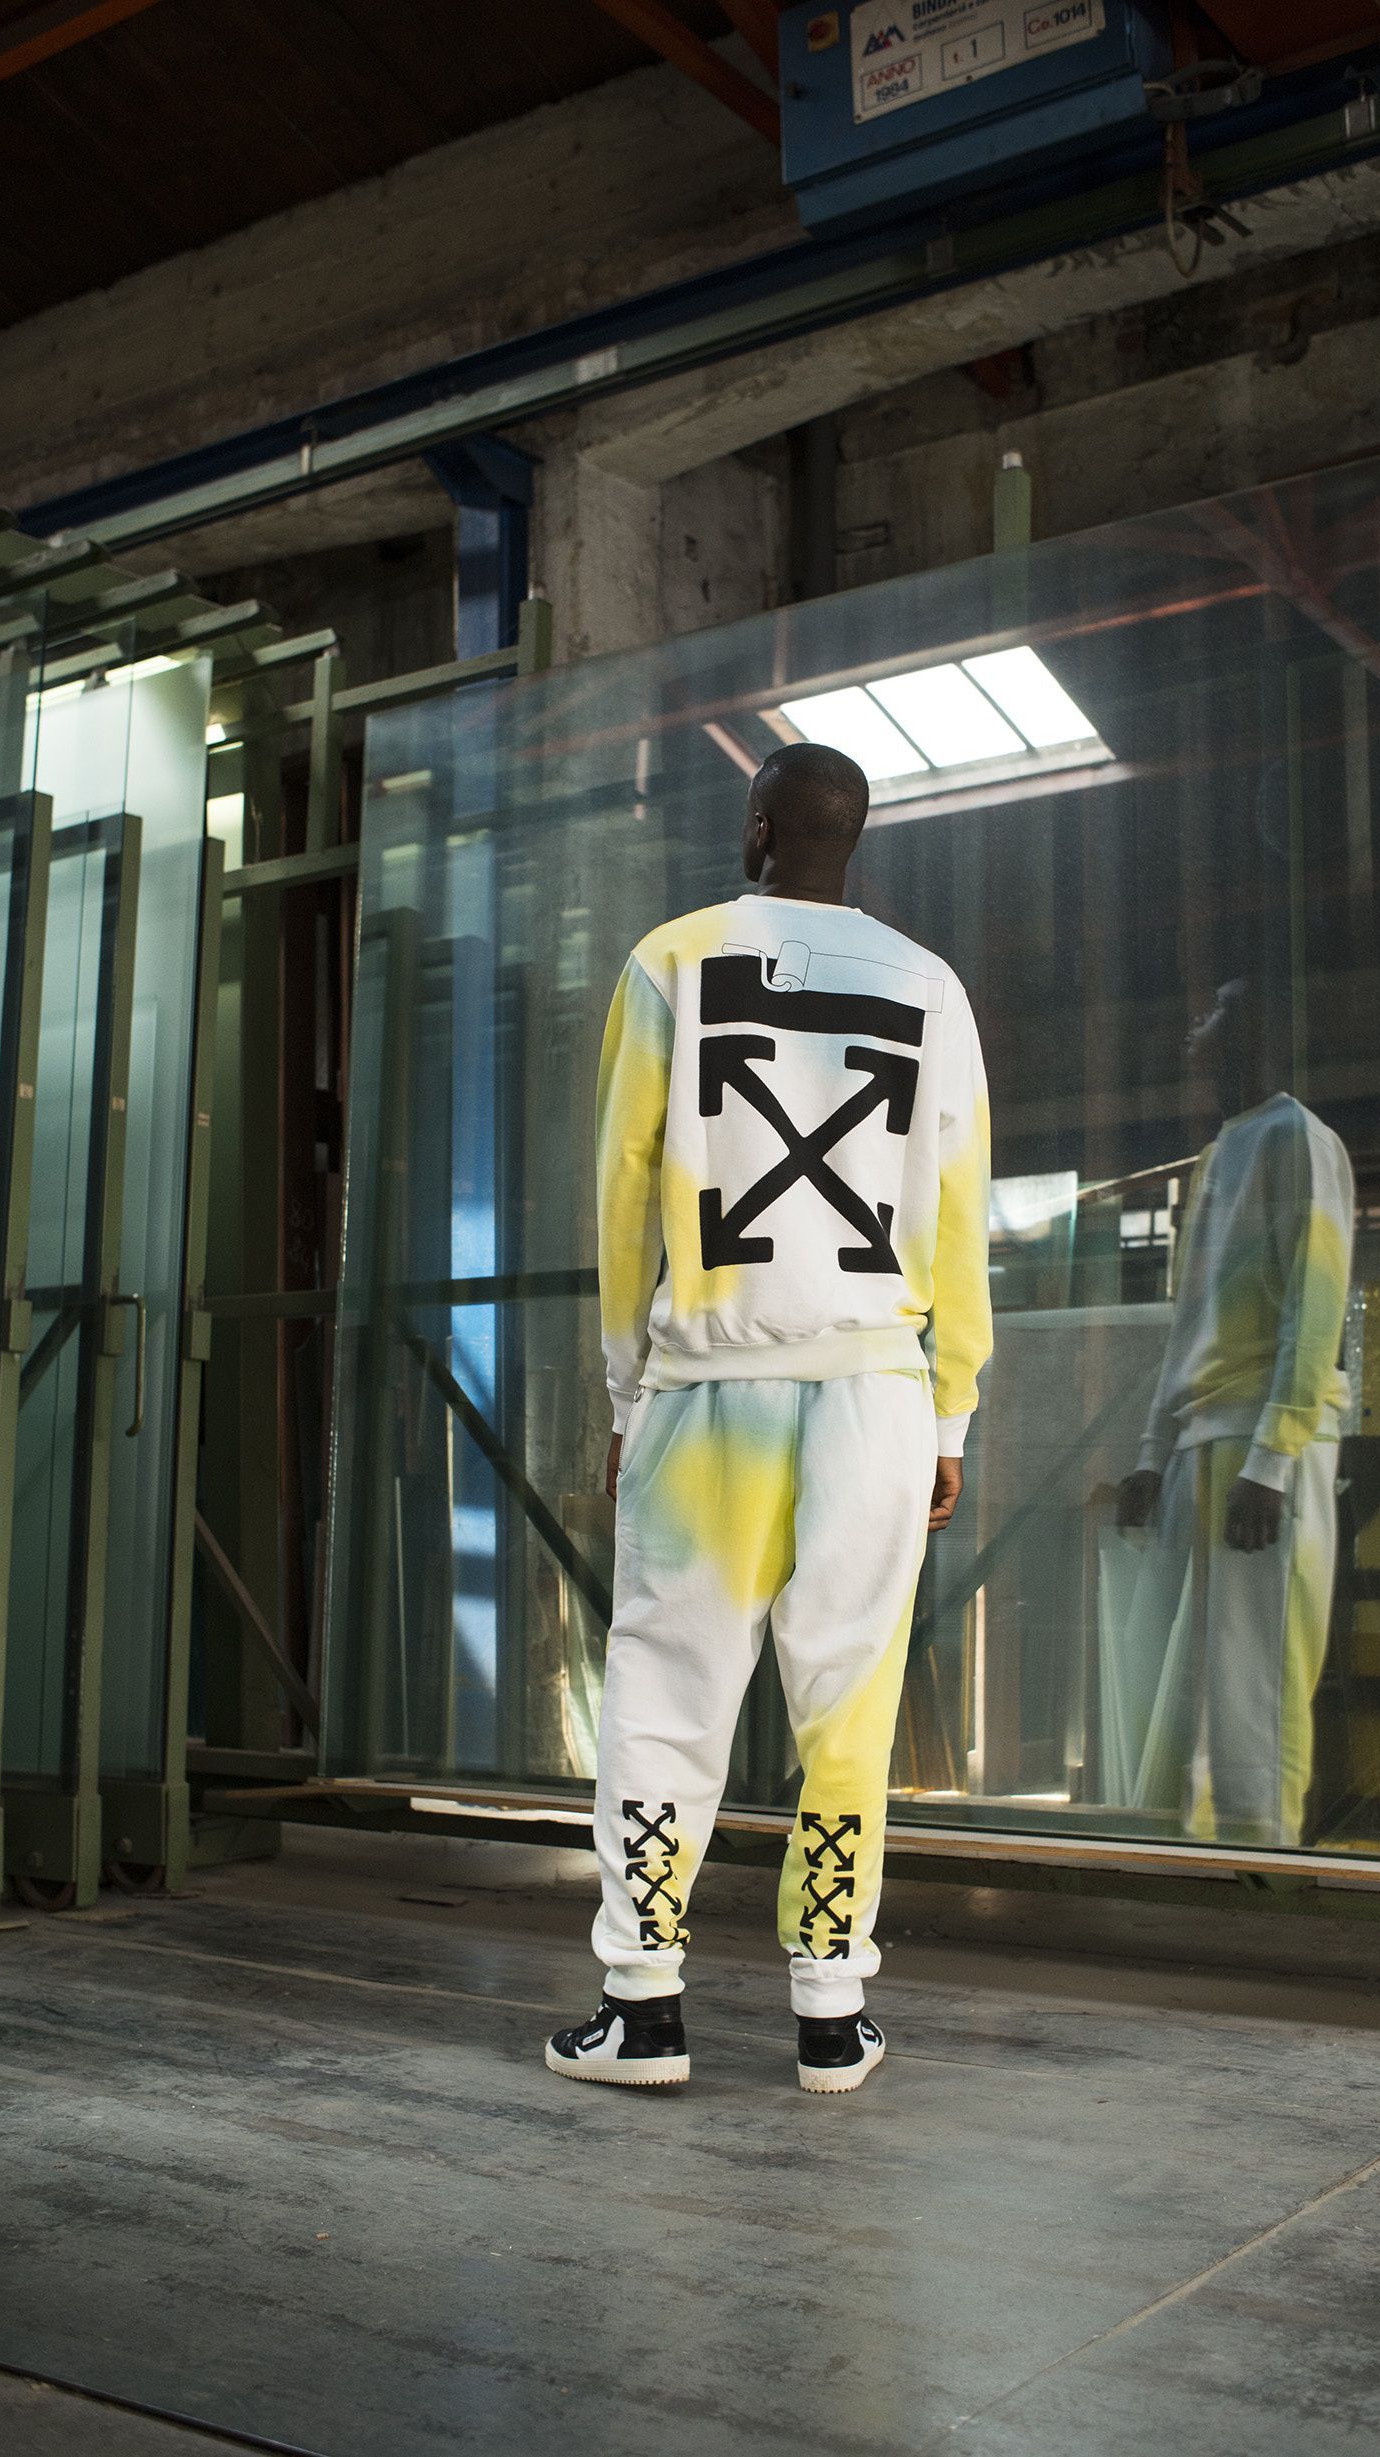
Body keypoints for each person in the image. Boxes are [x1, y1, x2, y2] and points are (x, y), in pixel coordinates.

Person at [547, 742, 993, 2094]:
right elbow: (960, 1219)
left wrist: (626, 1387)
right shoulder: (931, 987)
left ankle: (643, 2007)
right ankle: (830, 2012)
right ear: (852, 843)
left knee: (667, 1696)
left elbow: (625, 1198)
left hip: (710, 1393)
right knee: (848, 1701)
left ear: (756, 829)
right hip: (877, 1396)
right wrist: (952, 1418)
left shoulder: (670, 960)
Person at [1113, 978, 1354, 1847]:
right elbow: (1189, 1317)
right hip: (1202, 1441)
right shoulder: (1221, 1150)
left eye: (1214, 1009)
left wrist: (1272, 1459)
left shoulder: (1299, 1137)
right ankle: (1188, 1863)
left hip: (1258, 1446)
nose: (1195, 1024)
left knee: (1255, 1684)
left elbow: (1315, 1308)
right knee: (1185, 1687)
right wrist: (1154, 1449)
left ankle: (1259, 1867)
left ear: (1256, 1027)